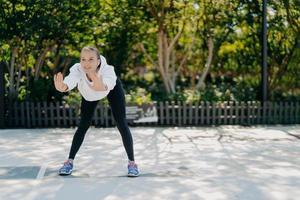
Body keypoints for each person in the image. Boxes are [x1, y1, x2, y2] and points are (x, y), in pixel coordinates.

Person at [53, 46, 139, 177]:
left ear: (98, 61)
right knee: (83, 125)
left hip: (111, 89)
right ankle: (69, 162)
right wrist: (63, 87)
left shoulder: (108, 70)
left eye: (91, 59)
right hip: (89, 95)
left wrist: (99, 84)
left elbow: (105, 86)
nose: (86, 63)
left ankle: (132, 163)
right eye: (83, 59)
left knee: (121, 123)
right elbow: (70, 81)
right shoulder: (77, 69)